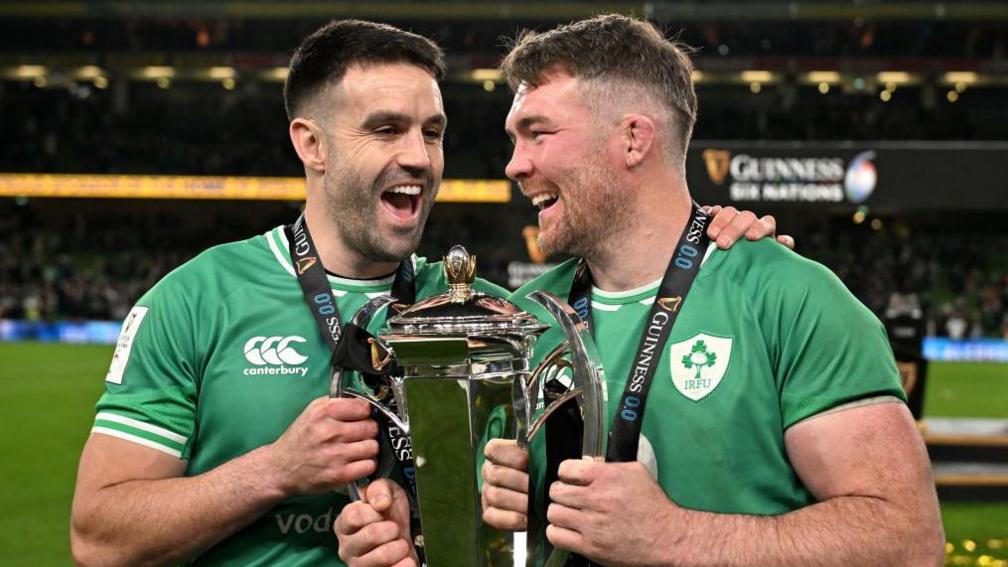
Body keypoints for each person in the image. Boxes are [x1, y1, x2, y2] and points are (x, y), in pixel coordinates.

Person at [69, 18, 778, 567]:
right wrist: (276, 470)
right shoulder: (196, 300)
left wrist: (722, 248)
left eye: (432, 132)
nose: (419, 156)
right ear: (311, 144)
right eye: (386, 128)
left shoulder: (500, 314)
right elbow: (99, 537)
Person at [341, 14, 944, 567]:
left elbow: (909, 539)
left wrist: (675, 536)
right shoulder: (519, 321)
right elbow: (498, 537)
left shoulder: (789, 298)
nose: (515, 165)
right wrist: (419, 531)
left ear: (633, 139)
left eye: (538, 133)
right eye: (514, 139)